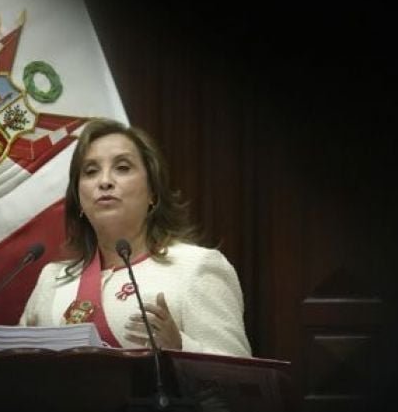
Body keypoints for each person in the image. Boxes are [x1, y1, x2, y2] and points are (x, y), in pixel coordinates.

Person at [19, 119, 252, 357]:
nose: (105, 181)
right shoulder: (52, 279)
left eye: (122, 168)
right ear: (78, 199)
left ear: (153, 192)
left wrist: (180, 346)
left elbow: (239, 374)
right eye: (90, 171)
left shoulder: (195, 267)